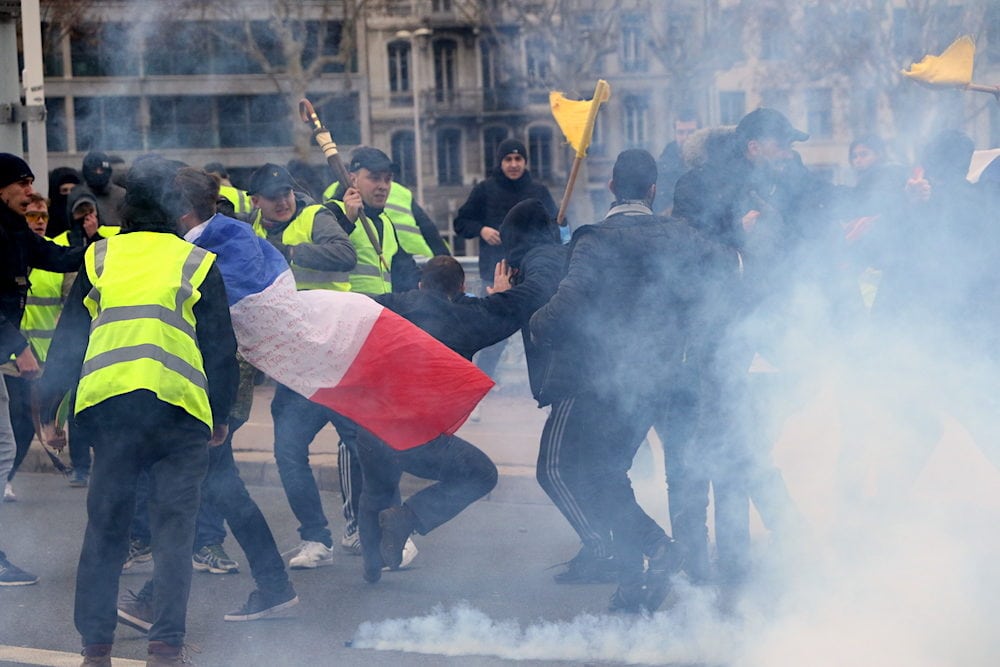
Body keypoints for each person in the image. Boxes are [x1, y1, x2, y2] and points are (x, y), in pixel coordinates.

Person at [38, 156, 238, 666]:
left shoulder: (99, 258)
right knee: (174, 534)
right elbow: (219, 348)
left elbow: (69, 339)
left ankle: (96, 651)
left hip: (110, 413)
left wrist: (48, 410)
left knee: (106, 530)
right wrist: (220, 416)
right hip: (179, 415)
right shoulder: (197, 262)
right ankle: (165, 649)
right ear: (174, 214)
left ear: (123, 214)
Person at [529, 149, 736, 613]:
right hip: (677, 376)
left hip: (620, 380)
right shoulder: (681, 234)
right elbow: (728, 276)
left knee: (600, 474)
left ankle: (651, 553)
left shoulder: (596, 241)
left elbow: (565, 306)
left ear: (611, 189)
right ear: (653, 190)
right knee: (682, 474)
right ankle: (669, 575)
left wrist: (536, 324)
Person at [116, 166, 299, 634]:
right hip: (201, 378)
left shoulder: (227, 235)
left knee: (196, 489)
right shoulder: (199, 238)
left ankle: (155, 600)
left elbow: (226, 301)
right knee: (215, 486)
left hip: (222, 378)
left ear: (179, 207)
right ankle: (273, 585)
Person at [673, 108, 827, 586]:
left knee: (741, 443)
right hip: (712, 335)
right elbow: (684, 251)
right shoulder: (699, 185)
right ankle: (713, 561)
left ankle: (751, 547)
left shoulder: (780, 183)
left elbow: (802, 238)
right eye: (782, 145)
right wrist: (741, 240)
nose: (788, 154)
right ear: (755, 145)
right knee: (716, 447)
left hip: (763, 335)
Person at [248, 162, 366, 568]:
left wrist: (291, 252)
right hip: (296, 362)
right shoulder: (253, 232)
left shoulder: (316, 216)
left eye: (287, 193)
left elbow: (345, 254)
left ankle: (370, 529)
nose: (283, 201)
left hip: (336, 352)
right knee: (287, 449)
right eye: (273, 196)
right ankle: (316, 539)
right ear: (255, 201)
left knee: (358, 441)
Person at [0, 153, 84, 585]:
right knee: (2, 449)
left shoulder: (13, 229)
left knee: (4, 448)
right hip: (6, 349)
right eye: (23, 183)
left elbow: (56, 257)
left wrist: (97, 247)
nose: (31, 192)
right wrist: (18, 347)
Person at [453, 138, 559, 383]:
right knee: (491, 336)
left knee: (538, 332)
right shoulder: (484, 189)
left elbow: (553, 227)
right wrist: (482, 230)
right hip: (495, 273)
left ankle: (543, 385)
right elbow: (461, 222)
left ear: (525, 162)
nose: (513, 164)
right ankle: (478, 384)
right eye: (508, 159)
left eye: (518, 159)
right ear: (500, 163)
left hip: (533, 276)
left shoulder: (539, 191)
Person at [654, 110, 700, 215]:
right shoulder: (663, 167)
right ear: (675, 134)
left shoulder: (709, 162)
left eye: (691, 132)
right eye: (680, 132)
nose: (685, 137)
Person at [81, 152, 125, 228]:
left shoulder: (122, 195)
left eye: (101, 170)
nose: (98, 173)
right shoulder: (78, 196)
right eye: (94, 170)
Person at [47, 166, 82, 238]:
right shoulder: (46, 219)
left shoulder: (85, 216)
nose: (69, 194)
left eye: (73, 190)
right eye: (64, 190)